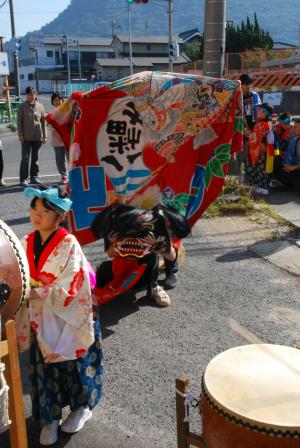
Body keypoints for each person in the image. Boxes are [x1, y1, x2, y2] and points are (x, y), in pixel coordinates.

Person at [15, 186, 103, 446]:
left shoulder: (68, 243)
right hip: (38, 315)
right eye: (34, 209)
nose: (37, 215)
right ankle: (49, 417)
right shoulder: (27, 241)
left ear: (60, 215)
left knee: (72, 364)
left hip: (69, 314)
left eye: (45, 211)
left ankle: (81, 407)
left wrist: (37, 292)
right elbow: (17, 270)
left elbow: (72, 281)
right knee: (43, 368)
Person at [17, 86, 47, 187]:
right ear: (26, 95)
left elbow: (43, 122)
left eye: (33, 94)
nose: (31, 96)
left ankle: (34, 177)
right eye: (29, 94)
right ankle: (23, 179)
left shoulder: (40, 106)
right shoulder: (22, 106)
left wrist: (45, 136)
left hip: (38, 136)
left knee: (35, 158)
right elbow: (19, 122)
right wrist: (20, 134)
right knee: (25, 158)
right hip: (26, 137)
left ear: (36, 94)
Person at [245, 103, 275, 195]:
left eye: (260, 109)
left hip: (260, 151)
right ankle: (259, 186)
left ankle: (262, 187)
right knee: (258, 169)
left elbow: (256, 138)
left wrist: (246, 133)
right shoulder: (265, 123)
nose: (257, 110)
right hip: (264, 150)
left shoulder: (262, 124)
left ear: (265, 113)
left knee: (258, 169)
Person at [237, 74, 262, 176]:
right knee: (239, 157)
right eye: (245, 84)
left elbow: (259, 113)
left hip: (253, 132)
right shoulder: (237, 96)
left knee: (252, 158)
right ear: (241, 85)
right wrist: (244, 129)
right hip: (240, 131)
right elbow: (238, 114)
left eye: (250, 84)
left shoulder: (255, 95)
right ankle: (237, 179)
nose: (248, 86)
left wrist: (255, 130)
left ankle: (250, 180)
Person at [50, 93, 69, 184]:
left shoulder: (68, 112)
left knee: (71, 158)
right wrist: (59, 136)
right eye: (55, 100)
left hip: (67, 139)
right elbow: (51, 127)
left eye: (59, 99)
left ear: (62, 100)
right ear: (52, 102)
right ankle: (64, 176)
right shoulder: (52, 113)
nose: (57, 102)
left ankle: (74, 175)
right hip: (57, 140)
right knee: (60, 159)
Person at [280, 119, 300, 191]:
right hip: (295, 168)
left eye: (295, 127)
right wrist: (287, 165)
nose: (293, 129)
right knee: (278, 165)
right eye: (293, 127)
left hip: (296, 167)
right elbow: (288, 155)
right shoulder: (294, 140)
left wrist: (294, 167)